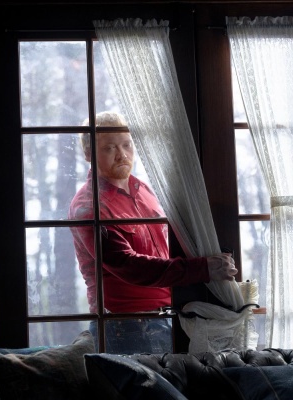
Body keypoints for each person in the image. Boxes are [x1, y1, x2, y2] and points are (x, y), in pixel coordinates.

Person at [68, 111, 236, 354]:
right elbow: (128, 265)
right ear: (88, 154)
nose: (122, 154)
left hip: (169, 317)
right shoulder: (89, 206)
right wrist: (203, 268)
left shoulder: (144, 190)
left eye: (127, 144)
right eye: (109, 148)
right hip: (123, 326)